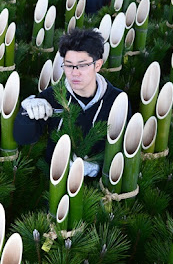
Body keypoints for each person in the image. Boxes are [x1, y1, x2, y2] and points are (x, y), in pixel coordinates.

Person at [13, 29, 131, 177]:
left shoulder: (117, 100)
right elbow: (23, 138)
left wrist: (95, 169)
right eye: (68, 65)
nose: (75, 73)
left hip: (99, 187)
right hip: (55, 180)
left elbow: (124, 153)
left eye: (82, 65)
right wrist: (26, 114)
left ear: (98, 65)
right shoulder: (53, 95)